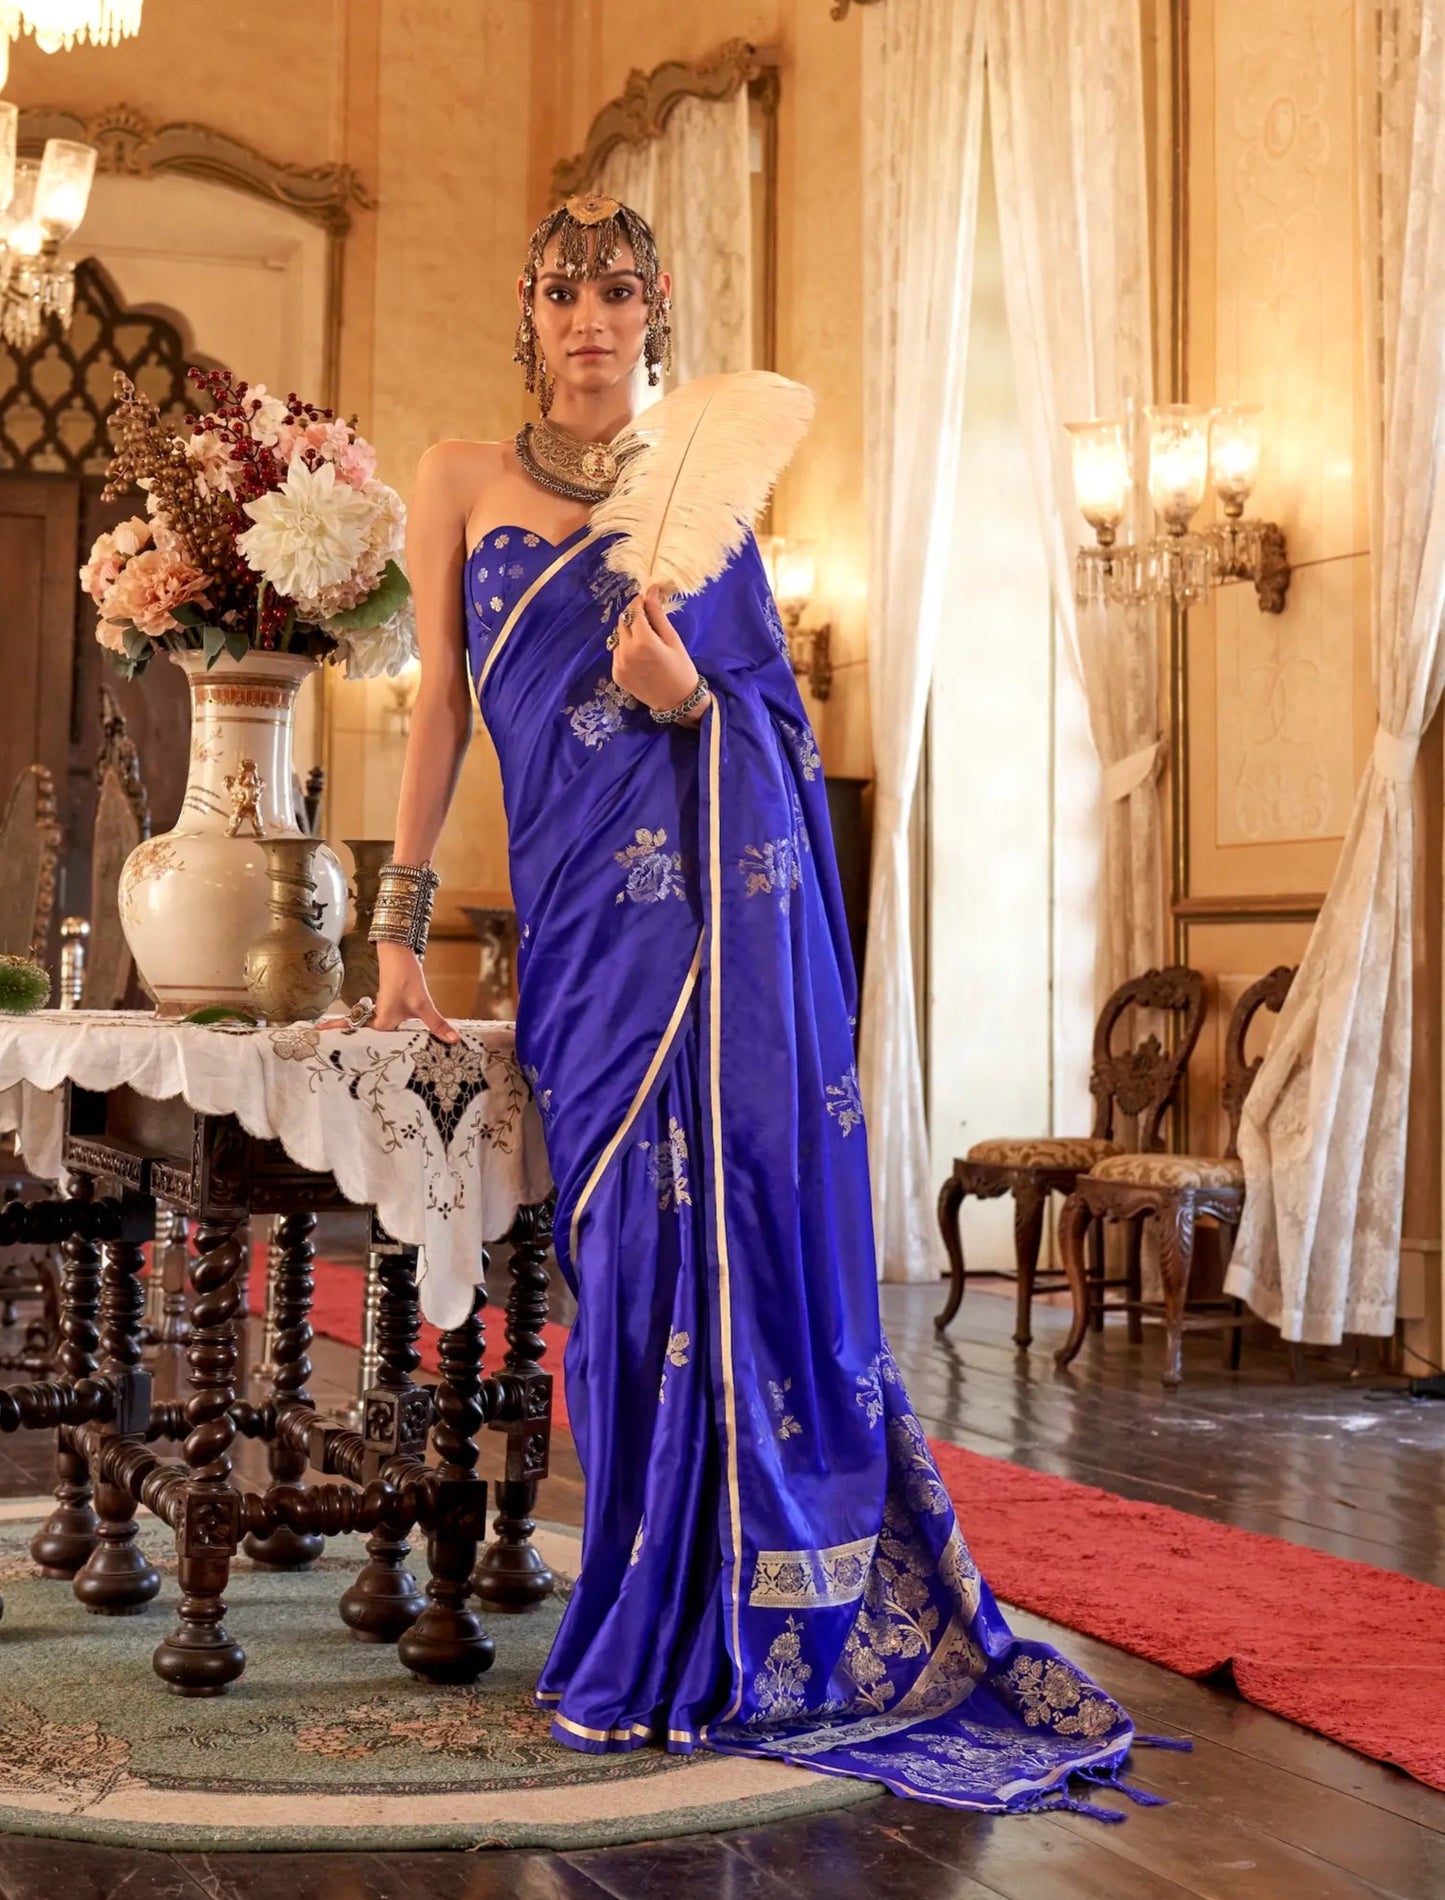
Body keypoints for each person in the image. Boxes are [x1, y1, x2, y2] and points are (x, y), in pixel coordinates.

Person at [369, 194, 1167, 1816]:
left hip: (713, 938)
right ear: (526, 310)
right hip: (580, 941)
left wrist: (689, 700)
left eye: (617, 289)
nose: (588, 316)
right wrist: (396, 931)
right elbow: (439, 706)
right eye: (561, 290)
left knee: (706, 1243)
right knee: (619, 1265)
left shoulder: (710, 511)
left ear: (654, 309)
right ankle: (652, 1590)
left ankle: (729, 1613)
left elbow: (780, 735)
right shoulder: (455, 477)